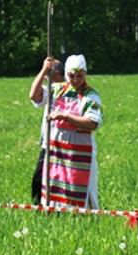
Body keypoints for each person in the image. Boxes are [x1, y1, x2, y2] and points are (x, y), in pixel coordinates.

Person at [40, 55, 102, 209]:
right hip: (58, 149)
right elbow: (34, 96)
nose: (75, 80)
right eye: (71, 75)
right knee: (56, 183)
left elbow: (92, 123)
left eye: (79, 76)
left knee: (80, 186)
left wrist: (66, 116)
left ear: (85, 74)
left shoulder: (91, 95)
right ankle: (55, 214)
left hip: (80, 152)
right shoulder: (56, 89)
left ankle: (85, 217)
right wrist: (43, 71)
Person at [27, 56, 64, 205]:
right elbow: (33, 95)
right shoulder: (49, 91)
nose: (47, 78)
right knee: (39, 178)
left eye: (50, 74)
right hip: (47, 144)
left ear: (58, 74)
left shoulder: (68, 90)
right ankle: (39, 206)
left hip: (64, 143)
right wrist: (43, 70)